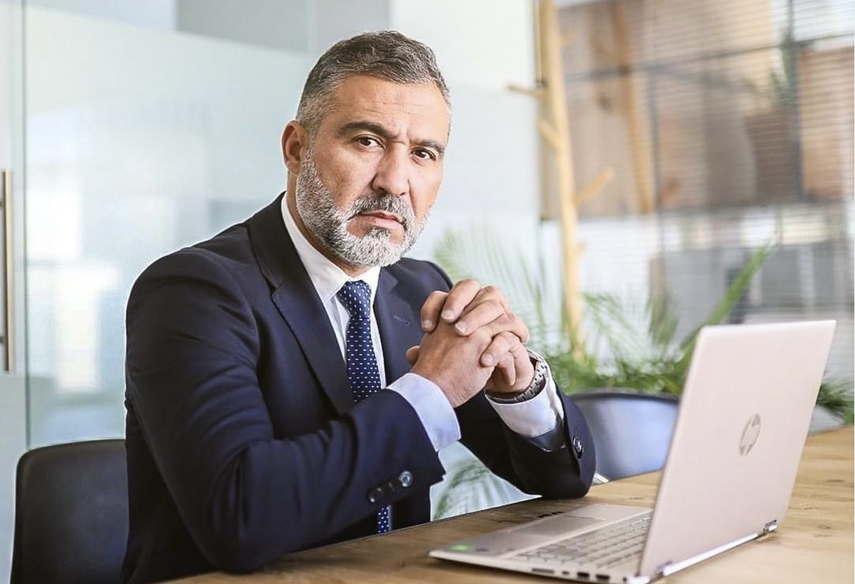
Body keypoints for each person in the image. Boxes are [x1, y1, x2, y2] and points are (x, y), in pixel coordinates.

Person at [122, 30, 595, 584]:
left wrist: (520, 390)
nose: (396, 181)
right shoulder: (192, 291)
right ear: (296, 148)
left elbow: (562, 478)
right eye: (368, 141)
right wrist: (434, 389)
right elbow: (240, 518)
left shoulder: (420, 288)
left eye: (423, 153)